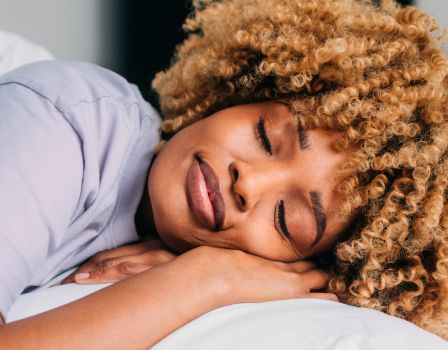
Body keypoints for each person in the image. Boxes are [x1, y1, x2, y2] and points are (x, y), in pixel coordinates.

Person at [0, 0, 447, 347]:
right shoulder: (73, 119)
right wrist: (205, 280)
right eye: (266, 136)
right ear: (240, 91)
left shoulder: (183, 249)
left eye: (286, 219)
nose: (248, 183)